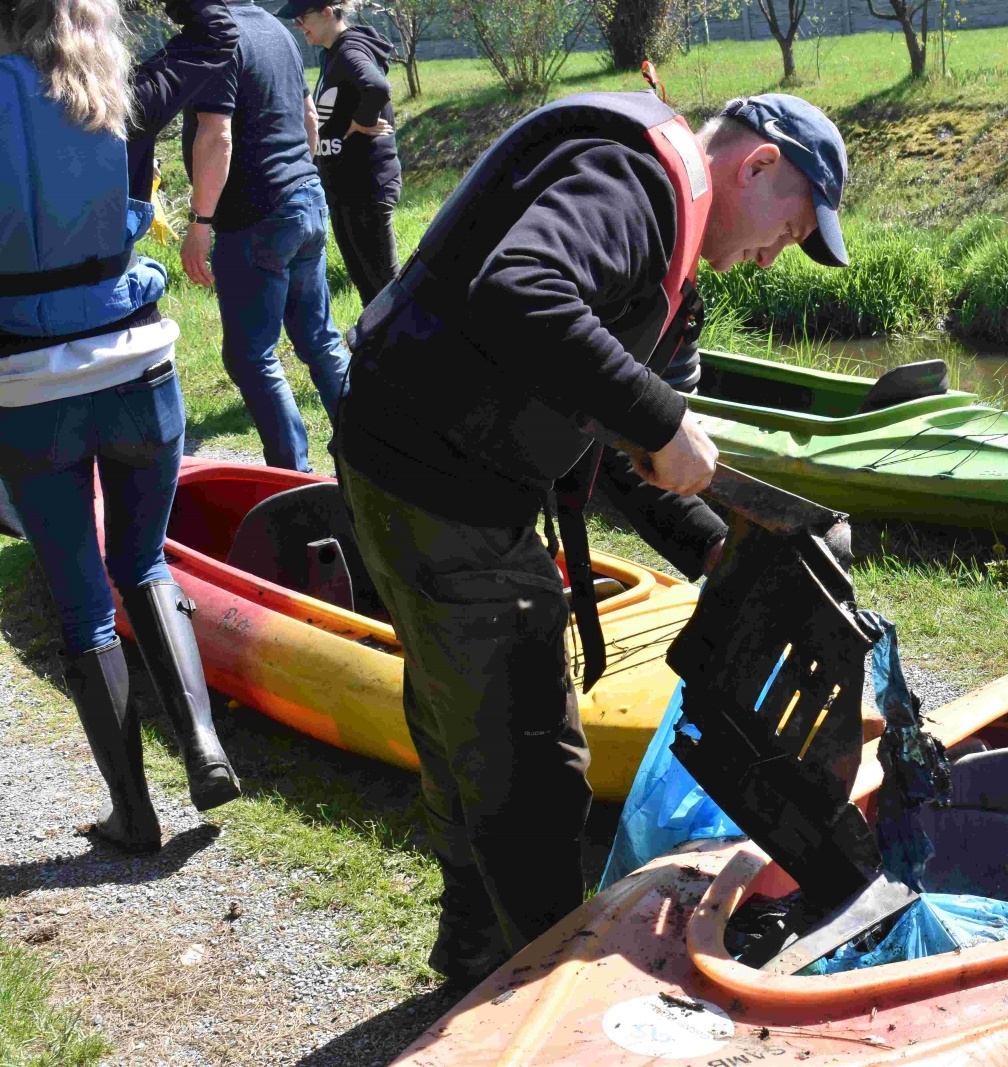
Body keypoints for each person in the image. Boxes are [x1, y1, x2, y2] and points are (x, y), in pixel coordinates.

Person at [335, 89, 849, 982]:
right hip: (439, 480)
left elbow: (597, 430)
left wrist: (709, 541)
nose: (774, 256)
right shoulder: (634, 183)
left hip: (408, 461)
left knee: (463, 727)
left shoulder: (668, 240)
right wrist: (661, 418)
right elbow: (520, 289)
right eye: (791, 227)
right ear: (759, 165)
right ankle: (534, 1000)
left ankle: (472, 950)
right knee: (534, 764)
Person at [0, 0, 244, 853]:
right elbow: (218, 33)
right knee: (142, 561)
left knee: (84, 611)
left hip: (30, 392)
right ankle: (205, 746)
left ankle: (133, 815)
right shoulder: (119, 88)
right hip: (142, 368)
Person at [179, 0, 350, 473]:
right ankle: (370, 454)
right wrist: (298, 177)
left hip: (256, 215)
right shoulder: (277, 31)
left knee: (251, 357)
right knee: (320, 341)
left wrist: (199, 222)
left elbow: (217, 136)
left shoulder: (218, 35)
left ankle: (293, 477)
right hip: (306, 197)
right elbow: (309, 117)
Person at [278, 0, 401, 307]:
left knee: (386, 288)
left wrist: (362, 121)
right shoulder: (332, 53)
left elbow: (377, 87)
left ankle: (414, 337)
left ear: (327, 13)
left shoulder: (349, 50)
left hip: (366, 185)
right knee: (367, 285)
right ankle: (378, 337)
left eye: (302, 17)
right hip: (346, 188)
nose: (297, 25)